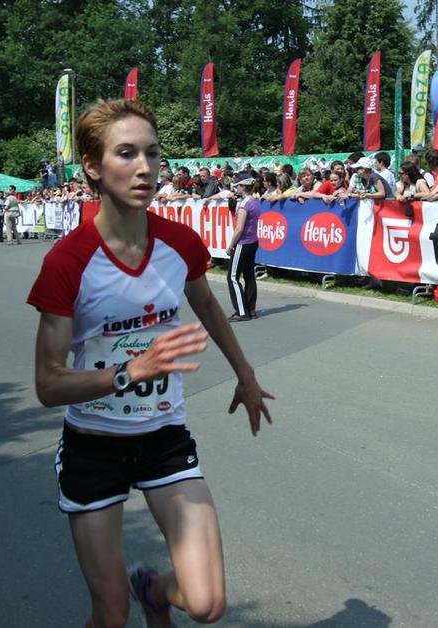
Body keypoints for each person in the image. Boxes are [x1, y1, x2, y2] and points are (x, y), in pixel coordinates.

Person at [27, 98, 273, 628]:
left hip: (163, 436)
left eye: (153, 153)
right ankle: (129, 598)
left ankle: (154, 590)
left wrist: (246, 374)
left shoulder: (179, 242)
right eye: (126, 153)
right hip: (93, 447)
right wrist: (129, 372)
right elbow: (48, 383)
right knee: (111, 615)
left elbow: (205, 302)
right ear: (92, 166)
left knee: (207, 604)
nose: (145, 168)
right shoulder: (68, 261)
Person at [225, 177, 261, 321]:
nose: (237, 188)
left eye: (238, 186)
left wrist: (231, 246)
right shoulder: (255, 202)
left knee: (232, 277)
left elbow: (239, 228)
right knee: (249, 276)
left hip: (243, 243)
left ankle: (241, 312)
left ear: (244, 187)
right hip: (253, 241)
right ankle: (251, 309)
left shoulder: (245, 204)